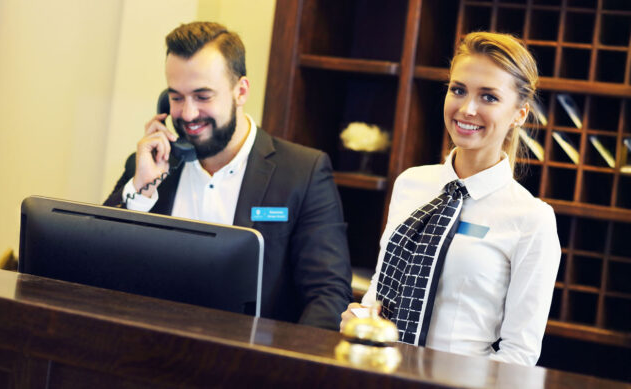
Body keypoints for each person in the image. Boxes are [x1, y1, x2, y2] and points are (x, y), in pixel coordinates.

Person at [104, 22, 352, 330]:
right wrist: (140, 192)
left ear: (240, 91)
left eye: (203, 96)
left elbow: (328, 296)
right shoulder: (147, 168)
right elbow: (99, 267)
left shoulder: (305, 172)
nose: (189, 114)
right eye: (176, 97)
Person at [340, 32, 560, 366]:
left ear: (519, 114)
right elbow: (381, 289)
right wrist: (360, 318)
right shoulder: (411, 184)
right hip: (378, 374)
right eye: (458, 90)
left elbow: (520, 354)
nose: (467, 108)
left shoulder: (532, 219)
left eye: (488, 97)